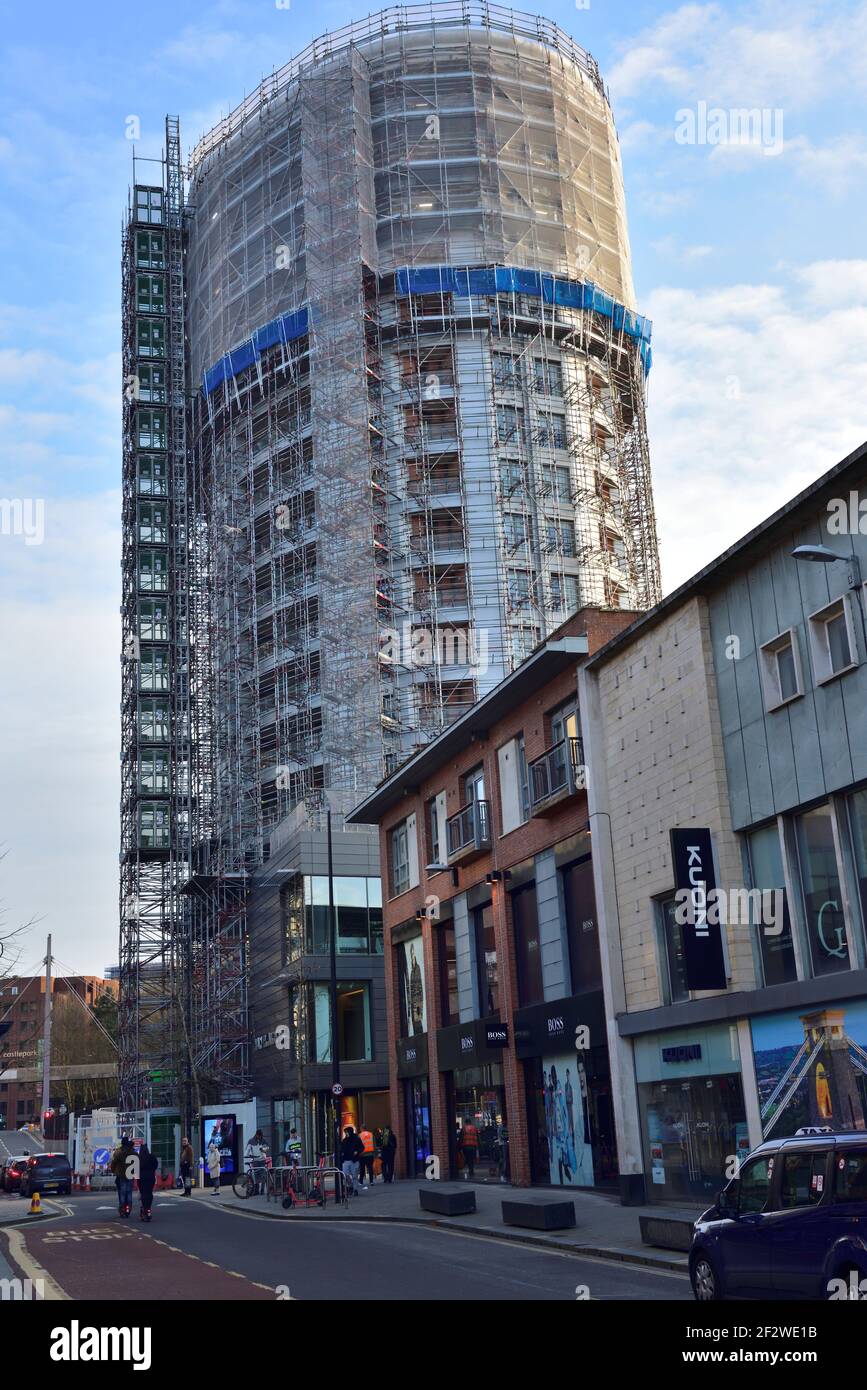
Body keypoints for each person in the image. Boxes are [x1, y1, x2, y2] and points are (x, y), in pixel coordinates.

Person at [111, 1135, 135, 1216]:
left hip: (121, 1174)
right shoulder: (132, 1152)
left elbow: (114, 1162)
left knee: (122, 1192)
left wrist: (113, 1170)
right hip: (130, 1174)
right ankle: (128, 1207)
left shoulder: (118, 1152)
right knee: (129, 1192)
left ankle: (122, 1208)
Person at [338, 1126, 364, 1197]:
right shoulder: (344, 1140)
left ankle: (355, 1189)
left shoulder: (357, 1139)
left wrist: (357, 1151)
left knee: (354, 1175)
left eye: (347, 1132)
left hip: (354, 1160)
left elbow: (362, 1147)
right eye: (345, 1132)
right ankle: (351, 1186)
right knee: (345, 1174)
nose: (346, 1134)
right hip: (346, 1160)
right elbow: (341, 1149)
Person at [137, 1143, 158, 1221]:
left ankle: (145, 1208)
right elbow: (155, 1165)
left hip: (141, 1178)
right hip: (150, 1177)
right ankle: (148, 1208)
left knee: (143, 1193)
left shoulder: (139, 1158)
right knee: (149, 1193)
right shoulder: (151, 1156)